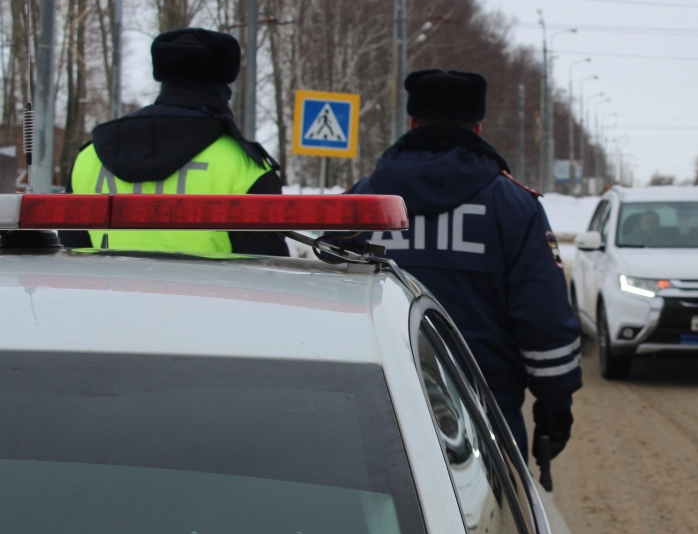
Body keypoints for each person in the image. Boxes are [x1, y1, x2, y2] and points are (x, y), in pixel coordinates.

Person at [345, 68, 581, 461]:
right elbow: (543, 317)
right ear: (477, 127)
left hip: (375, 403)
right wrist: (555, 404)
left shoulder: (362, 203)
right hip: (484, 411)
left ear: (412, 122)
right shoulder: (513, 206)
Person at [62, 28, 287, 256]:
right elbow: (268, 269)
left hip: (105, 291)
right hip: (212, 292)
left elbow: (71, 253)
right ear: (224, 85)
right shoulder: (245, 166)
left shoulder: (90, 157)